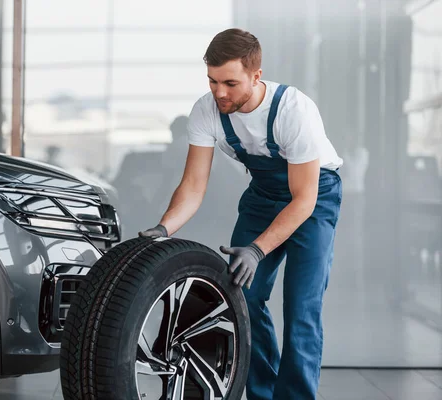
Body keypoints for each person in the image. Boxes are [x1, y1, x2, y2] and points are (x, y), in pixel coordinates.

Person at [139, 28, 343, 400]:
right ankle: (262, 393)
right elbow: (193, 186)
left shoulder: (294, 111)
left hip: (313, 199)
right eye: (212, 81)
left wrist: (257, 249)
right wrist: (163, 227)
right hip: (264, 197)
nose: (219, 92)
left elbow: (303, 200)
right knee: (242, 298)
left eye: (230, 83)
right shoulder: (207, 110)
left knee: (302, 307)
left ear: (256, 76)